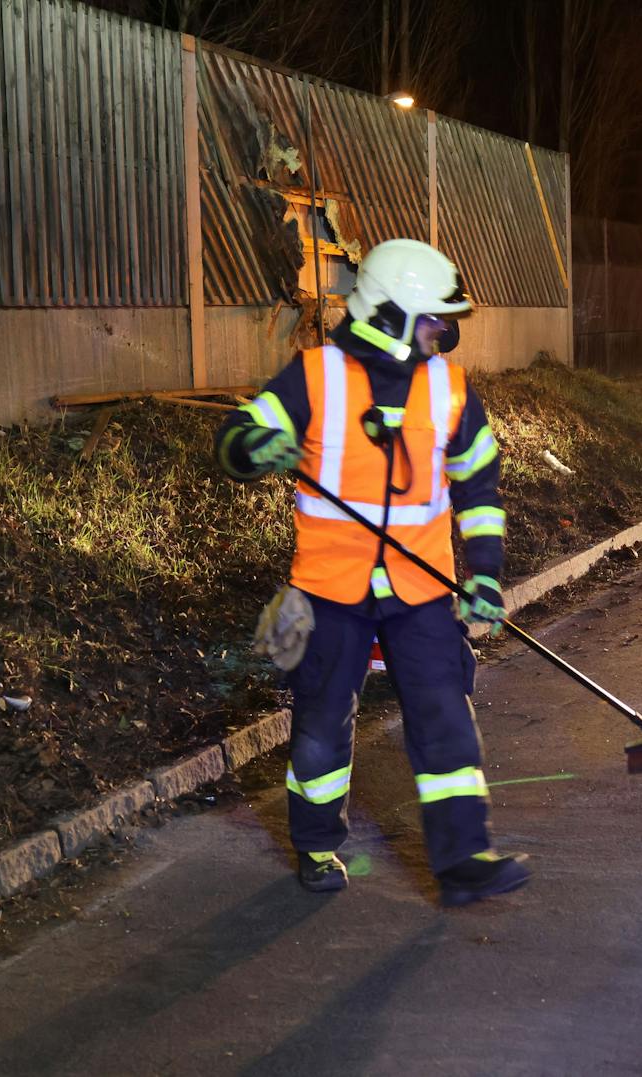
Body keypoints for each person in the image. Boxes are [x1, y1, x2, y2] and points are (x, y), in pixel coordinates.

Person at [215, 238, 529, 906]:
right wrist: (252, 446)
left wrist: (486, 574)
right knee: (322, 722)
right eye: (431, 320)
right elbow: (242, 436)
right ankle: (317, 842)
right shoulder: (315, 375)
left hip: (421, 590)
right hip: (331, 588)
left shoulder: (448, 388)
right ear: (387, 316)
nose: (441, 333)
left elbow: (479, 488)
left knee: (445, 714)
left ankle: (464, 859)